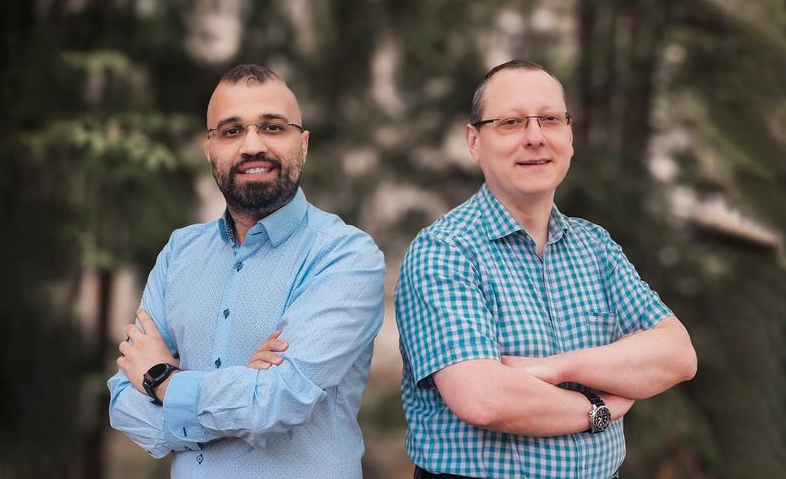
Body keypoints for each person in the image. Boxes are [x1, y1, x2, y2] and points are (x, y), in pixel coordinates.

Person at [394, 60, 697, 479]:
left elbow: (677, 355)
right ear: (474, 141)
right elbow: (484, 399)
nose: (535, 137)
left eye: (550, 119)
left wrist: (559, 368)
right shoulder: (444, 252)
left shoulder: (595, 246)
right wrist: (600, 407)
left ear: (569, 135)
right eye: (511, 122)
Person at [108, 63, 385, 478]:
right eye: (231, 131)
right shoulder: (179, 252)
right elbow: (122, 403)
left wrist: (162, 379)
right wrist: (241, 398)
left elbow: (277, 403)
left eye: (273, 127)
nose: (252, 145)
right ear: (209, 148)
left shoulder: (346, 255)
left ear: (304, 144)